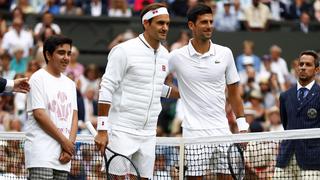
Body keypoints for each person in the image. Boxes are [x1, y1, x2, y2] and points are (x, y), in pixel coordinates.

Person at [94, 3, 178, 180]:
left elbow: (153, 86)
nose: (165, 28)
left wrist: (181, 92)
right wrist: (102, 129)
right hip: (121, 129)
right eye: (160, 23)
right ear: (146, 23)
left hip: (148, 132)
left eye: (167, 24)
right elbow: (106, 87)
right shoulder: (123, 50)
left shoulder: (164, 54)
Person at [168, 4, 249, 180]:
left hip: (222, 131)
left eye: (211, 21)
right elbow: (154, 82)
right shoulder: (176, 56)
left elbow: (234, 94)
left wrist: (242, 126)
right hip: (193, 133)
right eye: (204, 22)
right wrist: (178, 93)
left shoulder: (225, 53)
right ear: (191, 25)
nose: (209, 25)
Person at [24, 35, 78, 179]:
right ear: (48, 55)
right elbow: (39, 115)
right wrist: (65, 143)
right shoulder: (37, 78)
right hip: (41, 155)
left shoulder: (71, 84)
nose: (66, 57)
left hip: (63, 156)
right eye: (61, 53)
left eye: (68, 53)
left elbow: (74, 117)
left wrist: (69, 148)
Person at [274, 50, 320, 179]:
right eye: (301, 64)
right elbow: (286, 124)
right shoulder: (285, 96)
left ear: (317, 70)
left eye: (308, 65)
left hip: (313, 159)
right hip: (286, 157)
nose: (303, 67)